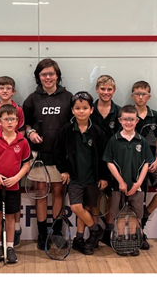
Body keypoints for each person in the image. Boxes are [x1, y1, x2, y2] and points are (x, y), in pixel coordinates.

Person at [22, 58, 73, 250]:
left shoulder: (68, 97)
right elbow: (25, 123)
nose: (48, 77)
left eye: (51, 73)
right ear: (38, 77)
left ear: (57, 76)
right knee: (41, 192)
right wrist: (30, 132)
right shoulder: (32, 99)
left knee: (58, 192)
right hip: (40, 156)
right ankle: (43, 233)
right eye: (44, 74)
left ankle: (57, 231)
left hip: (60, 156)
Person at [54, 91, 108, 255]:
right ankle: (96, 230)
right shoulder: (67, 130)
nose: (81, 111)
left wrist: (104, 176)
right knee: (77, 207)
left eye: (85, 108)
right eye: (77, 108)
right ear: (72, 110)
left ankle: (80, 238)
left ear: (91, 110)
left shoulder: (97, 131)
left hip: (93, 178)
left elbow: (105, 155)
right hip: (75, 177)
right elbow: (57, 150)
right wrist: (63, 170)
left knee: (89, 208)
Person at [102, 105, 153, 256]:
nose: (128, 122)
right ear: (120, 120)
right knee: (118, 214)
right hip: (118, 187)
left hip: (137, 187)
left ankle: (131, 240)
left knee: (135, 216)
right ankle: (120, 239)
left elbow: (146, 163)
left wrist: (138, 183)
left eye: (132, 119)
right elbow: (109, 162)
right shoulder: (114, 140)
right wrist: (120, 181)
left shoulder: (142, 141)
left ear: (137, 121)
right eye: (125, 119)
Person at [0, 105, 31, 263]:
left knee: (10, 216)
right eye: (6, 119)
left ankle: (10, 247)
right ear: (0, 122)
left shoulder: (23, 141)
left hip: (13, 185)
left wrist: (16, 178)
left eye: (13, 119)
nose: (10, 122)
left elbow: (26, 164)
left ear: (18, 121)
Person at [131, 80, 157, 249]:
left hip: (154, 160)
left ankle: (145, 216)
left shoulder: (155, 115)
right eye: (138, 93)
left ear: (149, 96)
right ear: (133, 96)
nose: (141, 97)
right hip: (135, 163)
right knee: (138, 198)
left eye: (144, 94)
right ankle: (138, 233)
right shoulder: (128, 114)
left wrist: (156, 159)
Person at [0, 76, 25, 247]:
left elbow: (22, 134)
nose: (5, 91)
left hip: (14, 163)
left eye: (8, 88)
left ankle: (16, 229)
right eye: (1, 87)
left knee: (14, 203)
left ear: (14, 91)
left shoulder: (18, 110)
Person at [91, 75, 121, 245]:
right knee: (95, 197)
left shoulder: (119, 112)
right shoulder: (89, 110)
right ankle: (95, 231)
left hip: (112, 162)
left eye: (109, 89)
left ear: (114, 91)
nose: (106, 92)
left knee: (110, 196)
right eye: (103, 89)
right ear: (97, 90)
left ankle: (108, 229)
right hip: (92, 161)